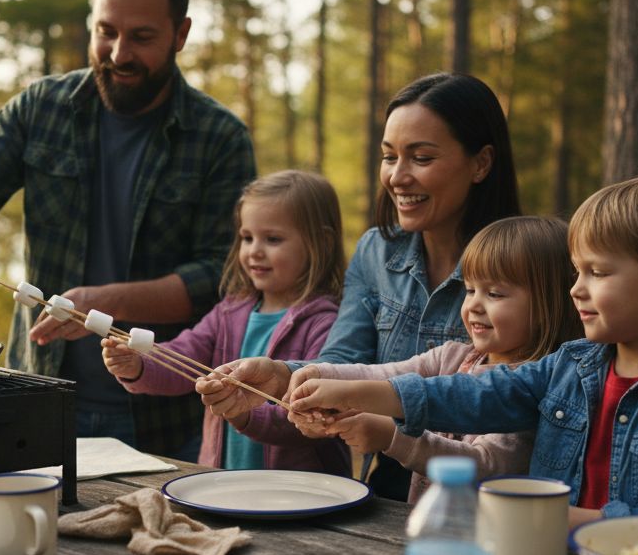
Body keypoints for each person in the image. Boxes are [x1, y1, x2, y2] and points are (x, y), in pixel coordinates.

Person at [0, 0, 256, 460]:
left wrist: (105, 304)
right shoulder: (42, 108)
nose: (118, 54)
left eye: (141, 37)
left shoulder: (220, 138)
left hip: (166, 418)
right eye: (105, 32)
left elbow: (219, 279)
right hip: (38, 401)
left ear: (180, 34)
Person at [288, 174, 638, 525]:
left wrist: (577, 521)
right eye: (576, 272)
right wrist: (350, 391)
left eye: (597, 273)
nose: (575, 290)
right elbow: (475, 394)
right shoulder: (571, 365)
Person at [196, 72, 521, 499]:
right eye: (390, 157)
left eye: (421, 158)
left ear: (480, 163)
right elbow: (348, 359)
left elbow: (501, 399)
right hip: (387, 487)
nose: (398, 177)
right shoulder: (376, 252)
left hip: (479, 495)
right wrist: (285, 380)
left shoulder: (522, 265)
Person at [282, 216, 582, 501]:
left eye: (495, 294)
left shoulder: (539, 388)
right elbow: (384, 375)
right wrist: (317, 374)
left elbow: (485, 464)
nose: (474, 305)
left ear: (547, 305)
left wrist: (391, 437)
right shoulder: (453, 356)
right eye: (470, 290)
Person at [100, 171, 350, 475]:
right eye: (247, 237)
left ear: (320, 243)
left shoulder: (326, 323)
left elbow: (309, 419)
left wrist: (243, 413)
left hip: (302, 494)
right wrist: (139, 365)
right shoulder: (229, 312)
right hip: (224, 484)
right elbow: (183, 357)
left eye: (272, 239)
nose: (254, 250)